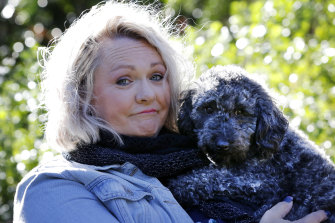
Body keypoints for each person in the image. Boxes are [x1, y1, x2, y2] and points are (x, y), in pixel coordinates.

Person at [13, 1, 329, 222]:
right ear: (81, 96)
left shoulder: (203, 158)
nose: (147, 94)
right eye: (124, 81)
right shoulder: (53, 187)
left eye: (156, 76)